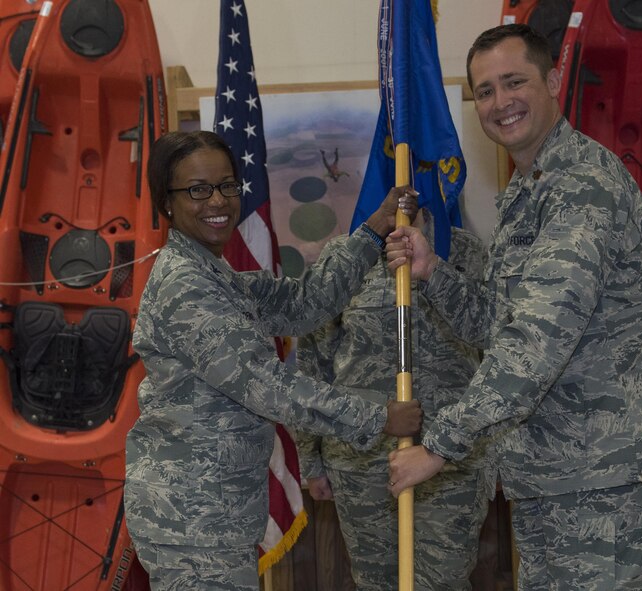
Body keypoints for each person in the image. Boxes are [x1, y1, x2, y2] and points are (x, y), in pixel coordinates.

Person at [386, 24, 642, 590]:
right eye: (486, 91)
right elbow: (499, 327)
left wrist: (439, 447)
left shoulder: (581, 186)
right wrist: (433, 272)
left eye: (514, 81)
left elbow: (537, 341)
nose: (501, 102)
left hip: (604, 482)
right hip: (552, 481)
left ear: (553, 80)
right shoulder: (527, 191)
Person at [124, 130, 422, 591]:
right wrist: (379, 418)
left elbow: (305, 303)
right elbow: (267, 386)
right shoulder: (186, 285)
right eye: (197, 190)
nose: (217, 201)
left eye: (226, 185)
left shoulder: (217, 277)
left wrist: (373, 230)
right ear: (167, 202)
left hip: (213, 517)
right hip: (191, 522)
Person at [295, 208, 492, 591]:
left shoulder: (465, 251)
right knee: (375, 582)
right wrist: (310, 458)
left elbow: (497, 348)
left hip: (452, 458)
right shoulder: (345, 256)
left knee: (444, 582)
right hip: (362, 457)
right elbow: (314, 362)